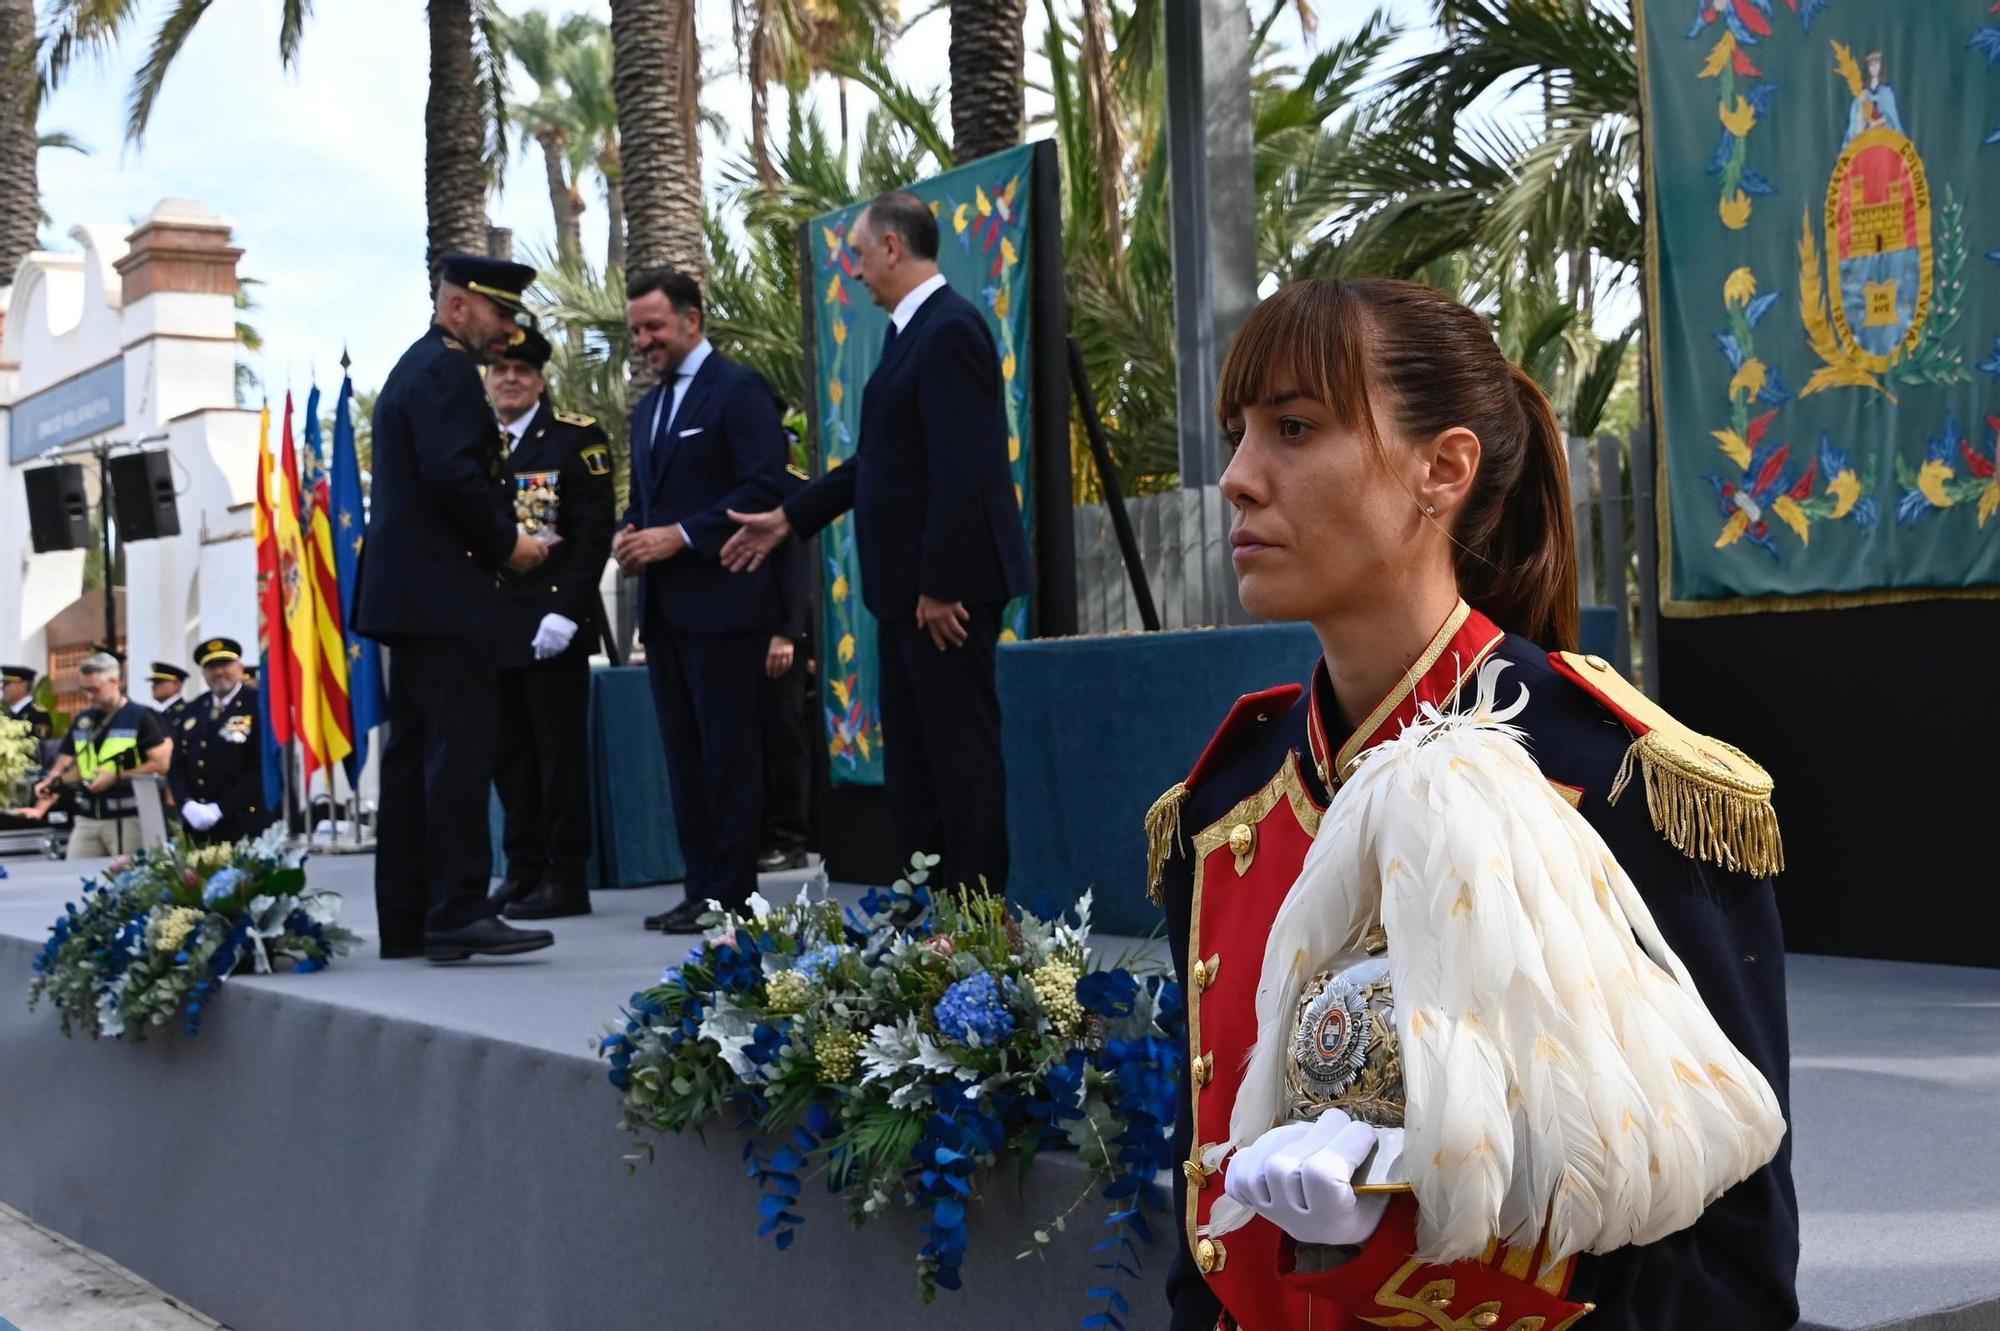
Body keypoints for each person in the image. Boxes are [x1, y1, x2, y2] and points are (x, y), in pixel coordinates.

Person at [1148, 279, 1797, 1331]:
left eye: (1294, 428)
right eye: (1240, 434)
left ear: (1442, 469)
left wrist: (1416, 1252)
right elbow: (1205, 1256)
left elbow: (1726, 1267)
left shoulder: (1620, 784)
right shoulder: (1223, 806)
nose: (1237, 477)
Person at [721, 190, 1032, 897]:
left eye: (859, 255)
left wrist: (940, 584)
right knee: (916, 761)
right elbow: (880, 463)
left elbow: (964, 467)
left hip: (944, 597)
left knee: (960, 755)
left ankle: (977, 912)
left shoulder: (950, 329)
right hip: (905, 595)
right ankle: (927, 905)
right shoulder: (907, 334)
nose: (855, 273)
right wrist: (788, 519)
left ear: (892, 247)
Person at [352, 253, 556, 963]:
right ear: (458, 305)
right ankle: (459, 906)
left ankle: (411, 916)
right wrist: (509, 544)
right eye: (499, 314)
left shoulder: (417, 366)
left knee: (415, 755)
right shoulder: (445, 371)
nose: (507, 331)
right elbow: (454, 476)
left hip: (414, 595)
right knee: (458, 750)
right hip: (444, 593)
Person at [613, 268, 787, 933]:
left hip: (725, 607)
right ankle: (698, 889)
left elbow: (764, 486)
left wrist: (681, 536)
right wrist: (630, 534)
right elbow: (644, 501)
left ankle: (733, 896)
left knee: (728, 757)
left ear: (692, 319)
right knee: (685, 760)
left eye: (653, 327)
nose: (643, 341)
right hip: (664, 614)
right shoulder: (649, 409)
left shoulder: (739, 390)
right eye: (636, 331)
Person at [484, 326, 616, 921]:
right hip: (495, 626)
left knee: (557, 756)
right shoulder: (476, 443)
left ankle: (565, 876)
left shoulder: (573, 439)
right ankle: (523, 868)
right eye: (501, 370)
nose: (510, 379)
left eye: (522, 371)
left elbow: (592, 536)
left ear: (540, 381)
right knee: (509, 757)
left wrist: (567, 611)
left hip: (551, 624)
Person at [20, 653, 172, 859]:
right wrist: (49, 787)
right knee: (74, 873)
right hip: (87, 816)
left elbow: (162, 763)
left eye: (94, 689)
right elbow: (66, 765)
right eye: (85, 690)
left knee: (127, 875)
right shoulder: (84, 720)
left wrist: (117, 776)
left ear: (115, 682)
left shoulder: (141, 717)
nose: (89, 696)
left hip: (127, 817)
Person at [756, 462, 814, 874]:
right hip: (739, 629)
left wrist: (788, 632)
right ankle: (758, 834)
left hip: (779, 631)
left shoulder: (787, 483)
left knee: (782, 735)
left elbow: (796, 562)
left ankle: (789, 837)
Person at [168, 637, 268, 846]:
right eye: (211, 667)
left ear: (240, 668)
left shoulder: (258, 704)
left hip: (244, 822)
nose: (219, 672)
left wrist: (221, 808)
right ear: (204, 673)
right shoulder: (194, 708)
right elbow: (177, 765)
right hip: (199, 826)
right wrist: (185, 804)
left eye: (225, 664)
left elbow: (262, 767)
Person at [2, 665, 54, 744]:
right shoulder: (8, 714)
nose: (2, 687)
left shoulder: (38, 715)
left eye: (7, 683)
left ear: (23, 685)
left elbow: (40, 747)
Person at [145, 662, 191, 729]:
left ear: (176, 684)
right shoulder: (156, 713)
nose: (153, 686)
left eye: (159, 682)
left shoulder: (187, 712)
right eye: (154, 682)